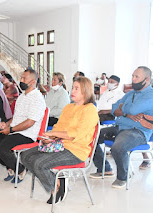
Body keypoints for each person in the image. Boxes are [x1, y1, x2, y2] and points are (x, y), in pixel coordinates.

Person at [21, 76, 98, 204]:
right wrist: (49, 137)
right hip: (59, 145)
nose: (72, 91)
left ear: (85, 91)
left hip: (76, 151)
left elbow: (76, 134)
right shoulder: (68, 107)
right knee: (25, 156)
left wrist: (55, 134)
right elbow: (59, 127)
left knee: (39, 164)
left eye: (76, 89)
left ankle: (55, 189)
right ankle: (57, 180)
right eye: (72, 88)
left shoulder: (90, 109)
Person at [90, 66, 153, 189]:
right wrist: (126, 112)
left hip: (138, 131)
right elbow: (114, 108)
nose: (133, 79)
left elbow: (132, 109)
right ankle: (105, 169)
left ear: (147, 79)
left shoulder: (152, 96)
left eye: (136, 77)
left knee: (118, 147)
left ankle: (123, 177)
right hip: (121, 126)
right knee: (92, 136)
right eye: (133, 76)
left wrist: (123, 108)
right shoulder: (131, 93)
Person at [0, 68, 46, 183]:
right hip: (16, 130)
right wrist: (6, 124)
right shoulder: (23, 96)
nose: (21, 80)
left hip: (27, 133)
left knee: (1, 148)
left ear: (33, 82)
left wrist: (11, 129)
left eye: (24, 78)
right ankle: (11, 167)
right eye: (21, 78)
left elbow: (29, 122)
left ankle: (21, 169)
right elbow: (16, 117)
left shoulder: (37, 98)